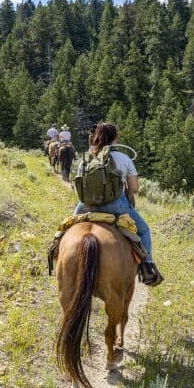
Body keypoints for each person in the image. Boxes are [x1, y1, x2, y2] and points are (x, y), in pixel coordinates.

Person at [74, 122, 164, 286]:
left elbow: (78, 185)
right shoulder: (124, 158)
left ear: (96, 136)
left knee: (67, 229)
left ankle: (57, 253)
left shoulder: (87, 157)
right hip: (116, 205)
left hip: (85, 205)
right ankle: (148, 267)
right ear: (116, 138)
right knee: (144, 230)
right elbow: (134, 188)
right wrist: (128, 194)